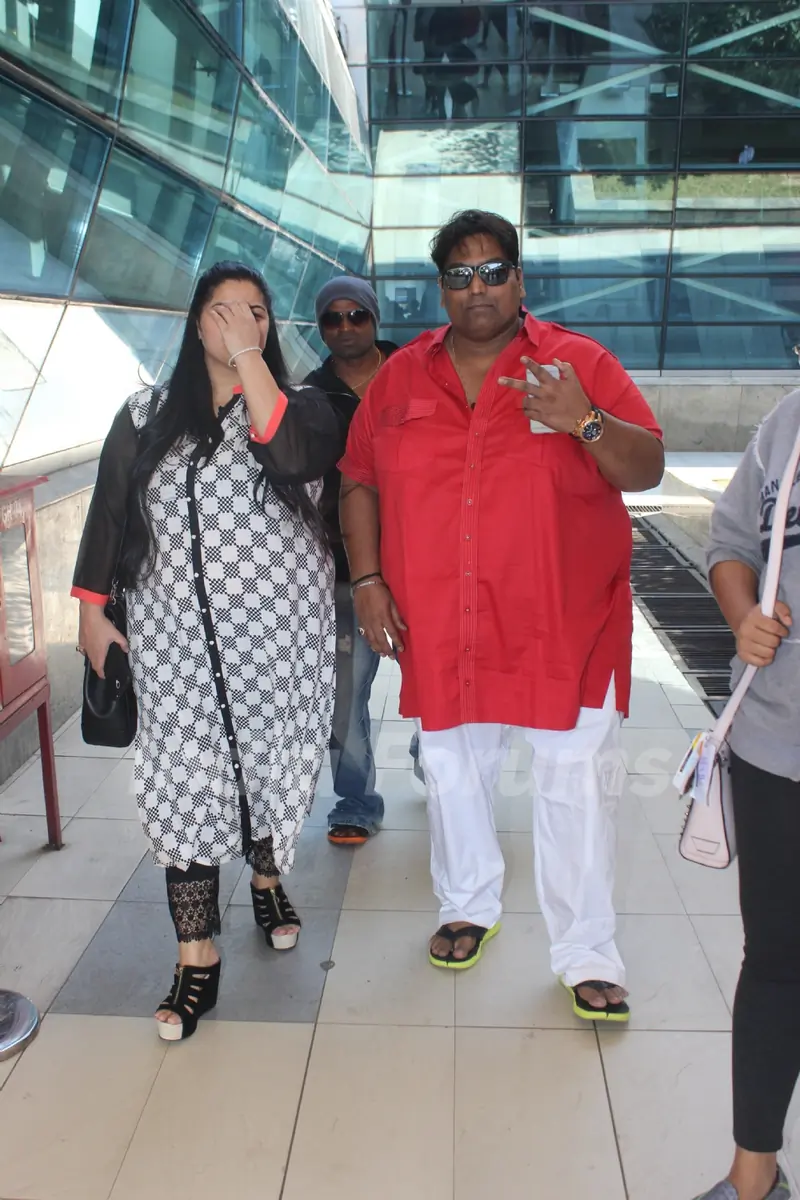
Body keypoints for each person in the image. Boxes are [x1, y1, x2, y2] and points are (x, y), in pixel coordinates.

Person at [338, 210, 664, 1020]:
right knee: (452, 774)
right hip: (446, 626)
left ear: (519, 280)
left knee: (574, 789)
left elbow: (648, 465)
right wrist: (368, 578)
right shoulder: (400, 378)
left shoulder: (577, 363)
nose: (476, 288)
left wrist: (582, 420)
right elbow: (358, 480)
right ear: (440, 288)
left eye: (492, 272)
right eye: (458, 274)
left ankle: (587, 951)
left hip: (564, 625)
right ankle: (466, 905)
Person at [72, 261, 345, 1042]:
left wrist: (250, 363)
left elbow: (290, 456)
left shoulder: (309, 407)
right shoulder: (146, 414)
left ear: (268, 329)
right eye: (219, 310)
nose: (234, 322)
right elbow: (111, 510)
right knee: (184, 787)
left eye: (253, 312)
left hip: (277, 645)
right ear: (194, 324)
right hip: (172, 645)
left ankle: (265, 878)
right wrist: (93, 611)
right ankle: (197, 958)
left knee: (262, 769)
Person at [690, 390, 800, 1199]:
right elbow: (729, 542)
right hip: (774, 744)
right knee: (775, 964)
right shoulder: (788, 423)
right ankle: (752, 1178)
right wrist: (741, 615)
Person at [304, 278, 398, 846]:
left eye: (356, 316)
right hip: (346, 572)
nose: (345, 328)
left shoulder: (416, 373)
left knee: (447, 684)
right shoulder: (309, 397)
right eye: (332, 319)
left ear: (375, 318)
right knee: (347, 690)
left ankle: (437, 758)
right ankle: (356, 800)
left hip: (427, 561)